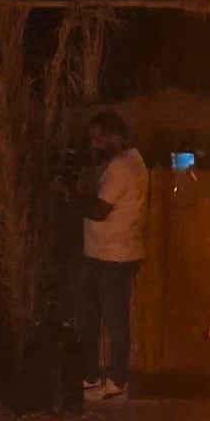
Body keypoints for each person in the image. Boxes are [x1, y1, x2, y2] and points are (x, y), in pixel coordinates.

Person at [79, 111, 148, 403]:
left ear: (115, 137)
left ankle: (117, 381)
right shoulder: (125, 162)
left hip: (114, 256)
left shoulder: (123, 168)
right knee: (92, 317)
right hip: (104, 252)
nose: (94, 144)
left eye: (99, 138)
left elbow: (99, 210)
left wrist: (76, 195)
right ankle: (93, 376)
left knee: (114, 320)